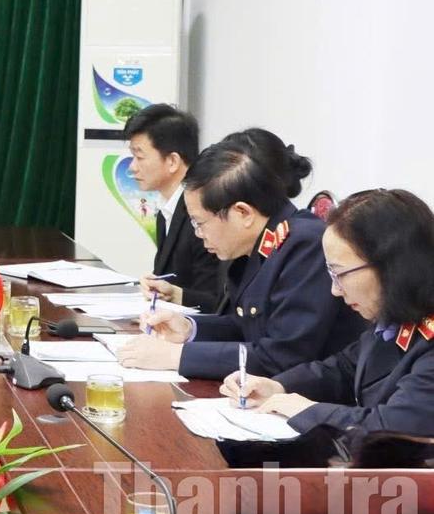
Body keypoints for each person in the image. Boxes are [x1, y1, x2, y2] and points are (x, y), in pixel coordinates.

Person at [117, 129, 365, 379]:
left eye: (199, 223)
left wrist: (176, 357)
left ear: (243, 213)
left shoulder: (305, 245)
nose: (199, 234)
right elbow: (245, 328)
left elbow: (282, 357)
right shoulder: (261, 245)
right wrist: (189, 328)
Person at [223, 189, 434, 445]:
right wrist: (278, 387)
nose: (335, 290)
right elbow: (345, 368)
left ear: (391, 267)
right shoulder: (398, 313)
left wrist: (306, 411)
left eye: (340, 274)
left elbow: (393, 428)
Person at [124, 104, 225, 312]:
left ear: (172, 161)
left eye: (140, 157)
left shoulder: (203, 213)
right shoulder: (167, 211)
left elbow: (219, 302)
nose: (132, 167)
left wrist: (174, 294)